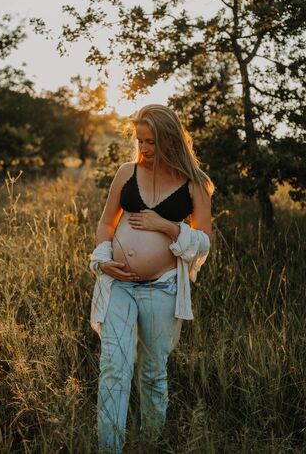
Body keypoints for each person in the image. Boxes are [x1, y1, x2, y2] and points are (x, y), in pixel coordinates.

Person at [89, 104, 214, 453]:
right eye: (140, 140)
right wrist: (103, 259)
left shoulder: (195, 184)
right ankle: (108, 447)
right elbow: (105, 223)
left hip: (162, 288)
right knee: (114, 367)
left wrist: (168, 226)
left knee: (153, 372)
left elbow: (203, 241)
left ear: (171, 140)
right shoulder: (126, 172)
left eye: (152, 142)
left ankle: (150, 442)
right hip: (118, 284)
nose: (143, 149)